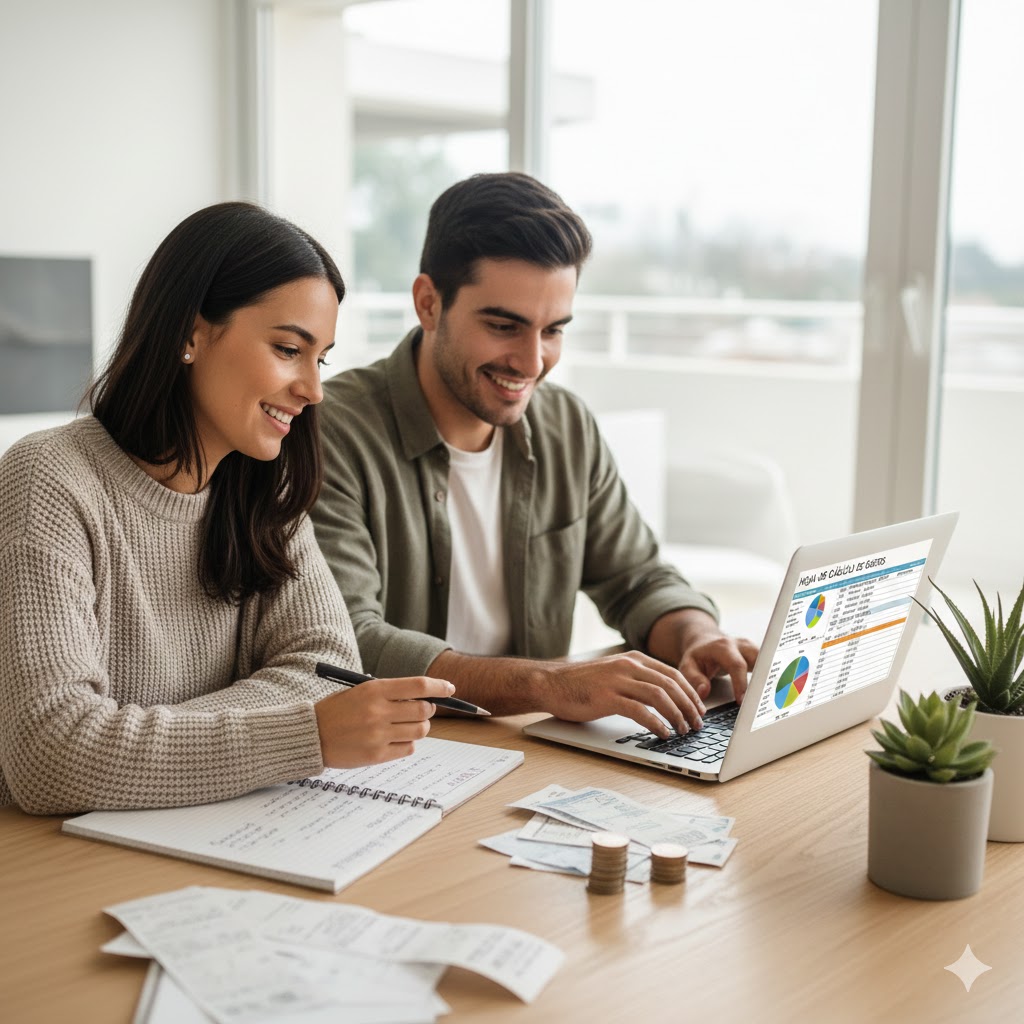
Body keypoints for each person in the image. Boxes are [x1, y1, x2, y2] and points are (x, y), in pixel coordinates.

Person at [0, 201, 452, 816]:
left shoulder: (268, 493)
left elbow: (327, 670)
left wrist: (126, 734)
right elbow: (50, 755)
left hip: (209, 835)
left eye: (321, 359)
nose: (314, 390)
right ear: (190, 333)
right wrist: (305, 734)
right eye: (289, 349)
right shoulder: (49, 481)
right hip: (55, 867)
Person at [311, 173, 758, 740]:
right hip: (402, 755)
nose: (532, 361)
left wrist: (697, 635)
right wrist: (552, 683)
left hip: (525, 749)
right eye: (504, 326)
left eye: (554, 330)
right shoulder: (333, 434)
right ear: (429, 303)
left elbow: (637, 577)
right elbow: (349, 639)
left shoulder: (565, 424)